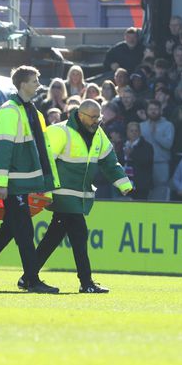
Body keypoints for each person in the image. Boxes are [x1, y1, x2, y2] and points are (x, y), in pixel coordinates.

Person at [0, 66, 60, 293]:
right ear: (23, 84)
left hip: (21, 183)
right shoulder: (10, 111)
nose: (38, 85)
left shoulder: (29, 110)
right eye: (35, 81)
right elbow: (2, 149)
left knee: (8, 230)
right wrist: (1, 183)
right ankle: (31, 280)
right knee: (25, 233)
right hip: (14, 184)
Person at [34, 100, 133, 293]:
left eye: (99, 117)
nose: (97, 121)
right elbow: (44, 162)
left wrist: (124, 184)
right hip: (62, 195)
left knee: (54, 237)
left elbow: (110, 162)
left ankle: (29, 275)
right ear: (80, 115)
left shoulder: (98, 134)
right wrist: (44, 190)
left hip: (77, 197)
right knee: (79, 235)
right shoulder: (61, 131)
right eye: (93, 117)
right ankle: (86, 282)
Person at [139, 100, 174, 200]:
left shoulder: (168, 125)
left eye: (156, 109)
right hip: (144, 165)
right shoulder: (141, 126)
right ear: (147, 111)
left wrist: (156, 134)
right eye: (151, 109)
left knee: (160, 191)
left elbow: (168, 145)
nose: (153, 111)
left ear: (160, 111)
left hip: (161, 164)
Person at [123, 122, 153, 200]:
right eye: (131, 131)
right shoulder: (123, 144)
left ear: (140, 133)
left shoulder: (147, 146)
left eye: (136, 131)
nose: (134, 133)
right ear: (127, 132)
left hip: (140, 186)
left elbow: (146, 162)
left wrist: (131, 154)